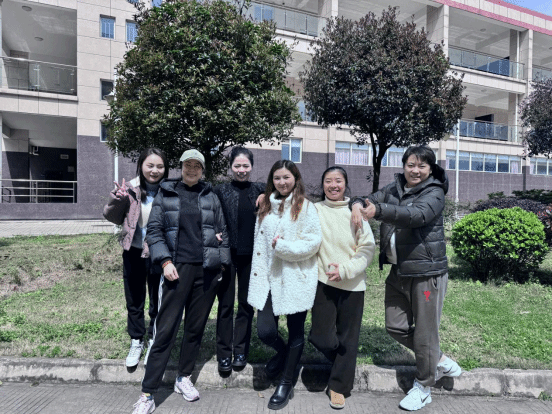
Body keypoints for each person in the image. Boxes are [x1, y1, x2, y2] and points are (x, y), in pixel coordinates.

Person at [351, 145, 461, 412]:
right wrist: (356, 204)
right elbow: (367, 198)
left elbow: (416, 215)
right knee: (395, 326)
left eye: (422, 165)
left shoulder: (434, 192)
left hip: (426, 274)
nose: (415, 170)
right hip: (398, 271)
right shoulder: (394, 187)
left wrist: (378, 211)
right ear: (404, 166)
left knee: (425, 333)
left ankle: (423, 387)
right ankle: (438, 359)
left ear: (431, 169)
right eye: (411, 164)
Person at [131, 149, 231, 414]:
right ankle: (148, 393)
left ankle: (183, 377)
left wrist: (221, 265)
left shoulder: (210, 195)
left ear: (203, 170)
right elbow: (153, 232)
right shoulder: (166, 193)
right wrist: (165, 262)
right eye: (188, 165)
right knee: (165, 331)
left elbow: (222, 232)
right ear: (181, 167)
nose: (192, 169)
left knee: (195, 329)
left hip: (206, 272)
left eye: (197, 166)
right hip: (176, 270)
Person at [248, 160, 322, 411]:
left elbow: (313, 242)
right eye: (277, 178)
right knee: (265, 331)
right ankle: (283, 354)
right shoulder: (266, 204)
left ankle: (286, 382)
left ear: (296, 179)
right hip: (267, 278)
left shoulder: (305, 207)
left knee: (295, 332)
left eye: (286, 177)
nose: (282, 182)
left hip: (294, 278)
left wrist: (283, 247)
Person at [309, 166, 376, 409]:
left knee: (348, 338)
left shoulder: (355, 212)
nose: (333, 185)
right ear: (322, 184)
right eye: (328, 181)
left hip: (353, 284)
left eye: (338, 181)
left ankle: (338, 387)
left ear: (345, 184)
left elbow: (367, 249)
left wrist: (345, 270)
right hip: (323, 281)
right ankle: (343, 362)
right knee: (321, 337)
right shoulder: (314, 209)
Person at [103, 148, 168, 368]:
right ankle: (136, 340)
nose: (155, 170)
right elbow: (112, 217)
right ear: (141, 166)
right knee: (134, 299)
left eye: (159, 166)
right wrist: (117, 199)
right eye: (150, 165)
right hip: (133, 251)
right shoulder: (130, 189)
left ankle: (154, 340)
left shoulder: (169, 191)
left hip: (159, 253)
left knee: (158, 301)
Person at [213, 147, 265, 372]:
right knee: (225, 305)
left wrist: (269, 195)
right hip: (227, 255)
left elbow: (287, 192)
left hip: (252, 258)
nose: (241, 170)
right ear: (231, 167)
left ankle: (241, 350)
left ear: (251, 166)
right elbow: (210, 214)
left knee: (245, 305)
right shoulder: (220, 190)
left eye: (245, 166)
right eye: (237, 166)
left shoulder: (261, 189)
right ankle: (224, 353)